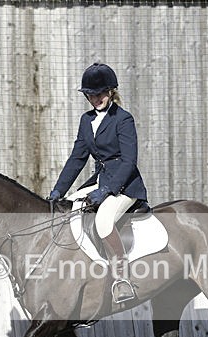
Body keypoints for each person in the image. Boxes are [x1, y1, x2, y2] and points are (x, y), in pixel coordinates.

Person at [48, 63, 148, 304]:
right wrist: (58, 190)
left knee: (103, 222)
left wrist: (106, 191)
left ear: (111, 91)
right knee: (67, 208)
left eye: (100, 93)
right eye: (91, 95)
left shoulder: (123, 119)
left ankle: (122, 279)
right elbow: (77, 158)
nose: (96, 99)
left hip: (125, 184)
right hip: (100, 179)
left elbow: (129, 161)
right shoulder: (86, 120)